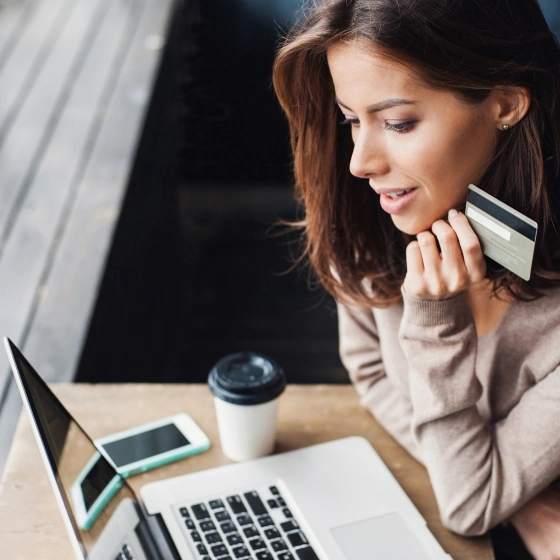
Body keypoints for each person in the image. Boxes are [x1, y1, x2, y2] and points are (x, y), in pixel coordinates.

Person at [272, 1, 560, 559]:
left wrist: (434, 326)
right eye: (352, 119)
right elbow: (372, 371)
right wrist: (512, 496)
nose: (359, 162)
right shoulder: (369, 222)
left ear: (504, 103)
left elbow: (468, 506)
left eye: (399, 122)